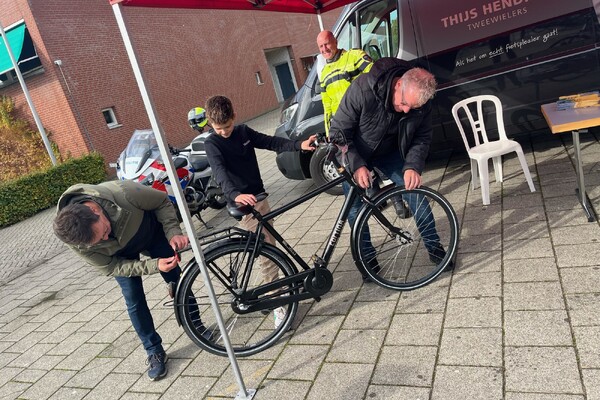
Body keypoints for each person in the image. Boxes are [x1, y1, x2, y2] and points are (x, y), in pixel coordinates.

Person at [53, 180, 209, 381]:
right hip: (119, 258)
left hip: (149, 233)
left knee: (176, 279)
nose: (105, 238)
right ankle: (154, 351)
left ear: (94, 209)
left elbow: (161, 201)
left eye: (103, 233)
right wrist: (153, 266)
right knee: (133, 299)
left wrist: (173, 232)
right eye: (98, 241)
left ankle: (196, 324)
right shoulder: (74, 238)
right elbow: (111, 267)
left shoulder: (124, 192)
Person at [328, 57, 454, 281]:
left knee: (416, 194)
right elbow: (338, 132)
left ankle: (435, 249)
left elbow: (423, 137)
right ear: (397, 84)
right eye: (404, 103)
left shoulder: (420, 99)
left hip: (390, 152)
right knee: (355, 209)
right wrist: (357, 165)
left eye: (411, 108)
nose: (406, 111)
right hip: (355, 152)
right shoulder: (362, 88)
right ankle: (367, 261)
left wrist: (413, 166)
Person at [201, 95, 316, 328]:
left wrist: (299, 145)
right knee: (267, 254)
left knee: (271, 247)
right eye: (218, 128)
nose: (224, 132)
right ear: (210, 124)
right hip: (244, 204)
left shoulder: (243, 132)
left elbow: (271, 142)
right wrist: (234, 195)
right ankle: (277, 304)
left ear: (234, 117)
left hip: (260, 198)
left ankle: (276, 289)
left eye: (228, 126)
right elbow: (220, 172)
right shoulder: (212, 144)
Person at [316, 30, 372, 137]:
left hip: (364, 121)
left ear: (335, 42)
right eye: (321, 46)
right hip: (343, 127)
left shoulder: (354, 56)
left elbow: (375, 77)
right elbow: (327, 108)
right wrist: (329, 135)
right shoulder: (323, 75)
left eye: (326, 44)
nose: (324, 49)